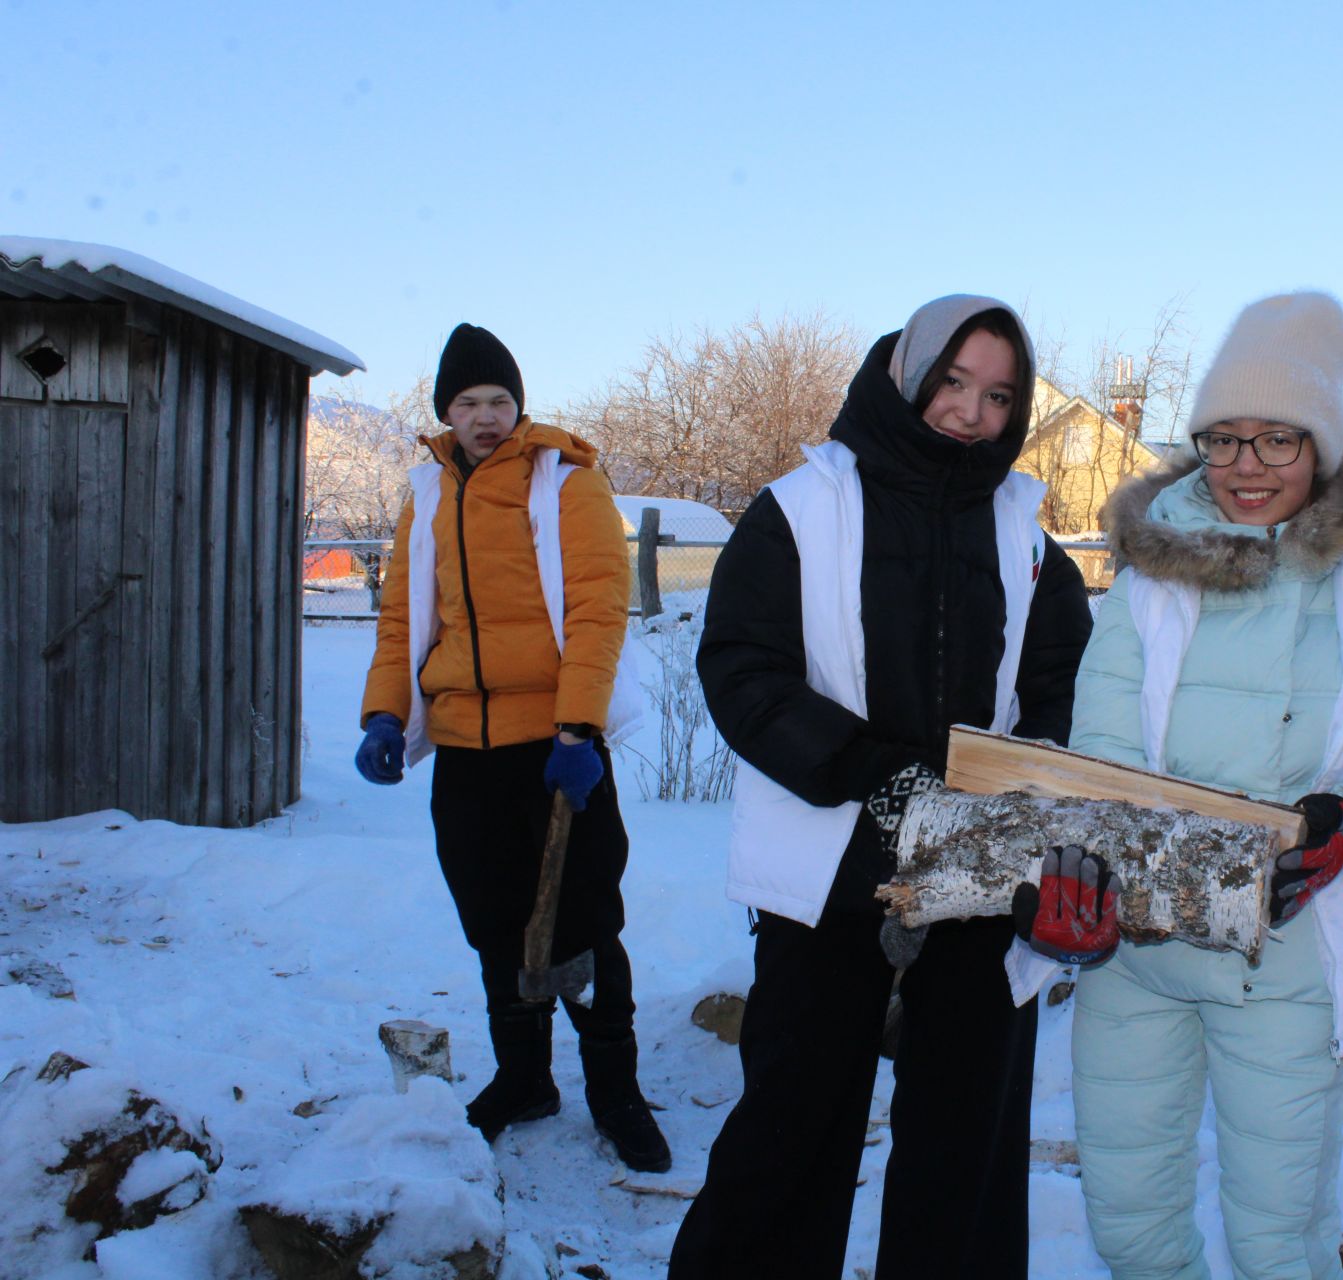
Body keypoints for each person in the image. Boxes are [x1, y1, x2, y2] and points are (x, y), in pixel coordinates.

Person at [1065, 293, 1343, 1279]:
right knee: (1130, 1228)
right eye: (1223, 440)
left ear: (1323, 447)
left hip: (1289, 970)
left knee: (1279, 1242)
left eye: (1276, 439)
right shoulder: (1144, 590)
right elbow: (1095, 772)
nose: (1246, 468)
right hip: (1138, 963)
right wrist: (1072, 882)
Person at [669, 296, 1094, 1279]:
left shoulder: (1026, 537)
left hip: (981, 864)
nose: (970, 411)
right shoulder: (802, 508)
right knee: (792, 1123)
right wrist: (875, 775)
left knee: (966, 1143)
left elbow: (1066, 687)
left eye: (997, 395)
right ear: (907, 373)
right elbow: (743, 667)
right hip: (832, 861)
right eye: (952, 381)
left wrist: (1026, 781)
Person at [355, 323, 670, 1173]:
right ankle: (525, 1079)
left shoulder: (566, 483)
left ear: (519, 404)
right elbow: (403, 621)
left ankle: (617, 1093)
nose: (486, 416)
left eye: (499, 400)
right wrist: (385, 714)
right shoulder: (426, 495)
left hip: (556, 746)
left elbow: (601, 610)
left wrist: (579, 728)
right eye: (468, 403)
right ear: (445, 413)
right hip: (465, 746)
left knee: (586, 921)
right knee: (494, 917)